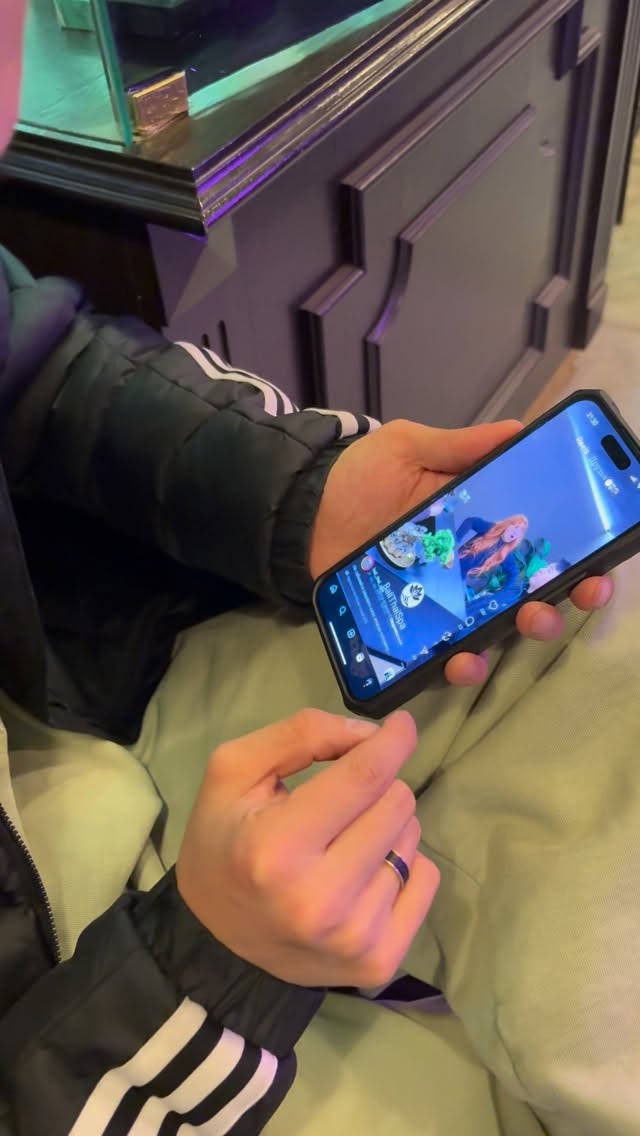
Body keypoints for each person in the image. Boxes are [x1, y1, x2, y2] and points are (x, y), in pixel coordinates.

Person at [0, 7, 637, 1135]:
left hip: (97, 673)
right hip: (96, 1036)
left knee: (603, 639)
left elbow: (38, 370)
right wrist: (212, 970)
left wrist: (304, 493)